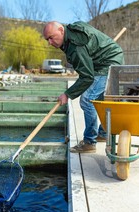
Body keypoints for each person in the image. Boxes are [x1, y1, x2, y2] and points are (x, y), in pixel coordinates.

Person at [43, 21, 124, 153]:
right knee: (102, 99)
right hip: (104, 60)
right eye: (47, 39)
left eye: (51, 37)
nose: (50, 43)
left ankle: (89, 142)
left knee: (87, 100)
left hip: (109, 63)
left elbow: (87, 77)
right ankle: (103, 134)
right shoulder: (70, 36)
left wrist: (68, 94)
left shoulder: (76, 45)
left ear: (61, 30)